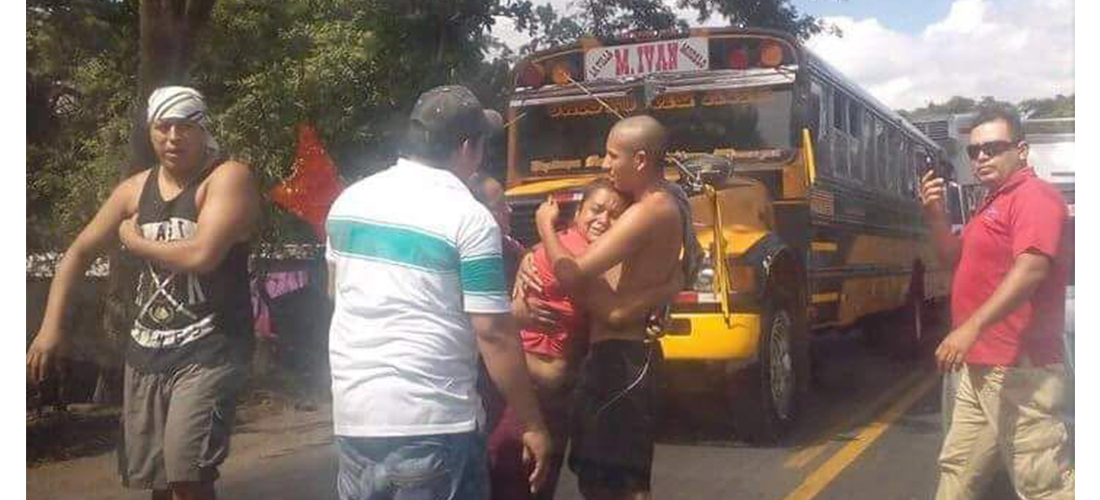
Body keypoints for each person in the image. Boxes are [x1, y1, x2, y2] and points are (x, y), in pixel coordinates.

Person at [26, 85, 261, 500]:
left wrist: (135, 243)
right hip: (147, 351)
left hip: (211, 348)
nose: (173, 137)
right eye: (163, 126)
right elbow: (78, 252)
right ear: (150, 131)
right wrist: (50, 328)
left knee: (188, 473)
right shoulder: (133, 190)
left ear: (202, 129)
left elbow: (203, 255)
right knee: (157, 479)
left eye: (185, 126)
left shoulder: (227, 178)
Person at [324, 85, 551, 500]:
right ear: (469, 147)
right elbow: (494, 333)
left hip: (353, 421)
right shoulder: (468, 218)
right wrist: (532, 423)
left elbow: (338, 294)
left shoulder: (349, 202)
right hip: (434, 425)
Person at [534, 115, 700, 500]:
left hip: (620, 361)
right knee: (613, 477)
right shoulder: (665, 203)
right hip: (623, 355)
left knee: (616, 483)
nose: (605, 165)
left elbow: (572, 276)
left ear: (640, 160)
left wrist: (545, 227)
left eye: (612, 156)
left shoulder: (649, 211)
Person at [486, 178, 684, 500]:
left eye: (615, 215)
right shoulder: (575, 259)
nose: (603, 220)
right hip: (532, 395)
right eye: (595, 210)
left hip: (561, 397)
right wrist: (672, 284)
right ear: (578, 212)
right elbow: (616, 313)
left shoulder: (560, 252)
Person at [922, 106, 1074, 500]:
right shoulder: (992, 202)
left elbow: (1032, 268)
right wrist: (935, 214)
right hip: (983, 367)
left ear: (1021, 150)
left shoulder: (1034, 196)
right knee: (959, 468)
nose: (981, 157)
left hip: (1021, 369)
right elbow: (952, 259)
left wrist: (971, 327)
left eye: (992, 147)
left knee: (1043, 484)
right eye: (974, 151)